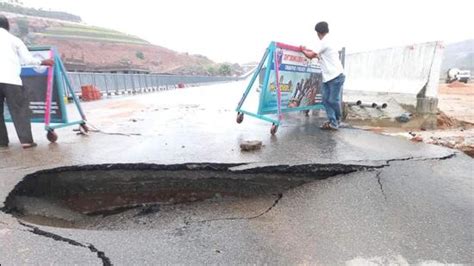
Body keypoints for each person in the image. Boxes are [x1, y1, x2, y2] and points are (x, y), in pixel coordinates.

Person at [0, 15, 54, 148]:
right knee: (19, 110)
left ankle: (1, 142)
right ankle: (26, 141)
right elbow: (27, 60)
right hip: (11, 80)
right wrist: (43, 61)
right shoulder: (14, 40)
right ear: (7, 25)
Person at [300, 21, 345, 130]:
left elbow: (311, 55)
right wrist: (306, 50)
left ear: (318, 32)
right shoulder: (329, 42)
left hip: (336, 76)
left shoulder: (324, 42)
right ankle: (333, 122)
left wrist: (302, 50)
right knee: (325, 100)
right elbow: (315, 52)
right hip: (328, 77)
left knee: (332, 100)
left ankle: (337, 120)